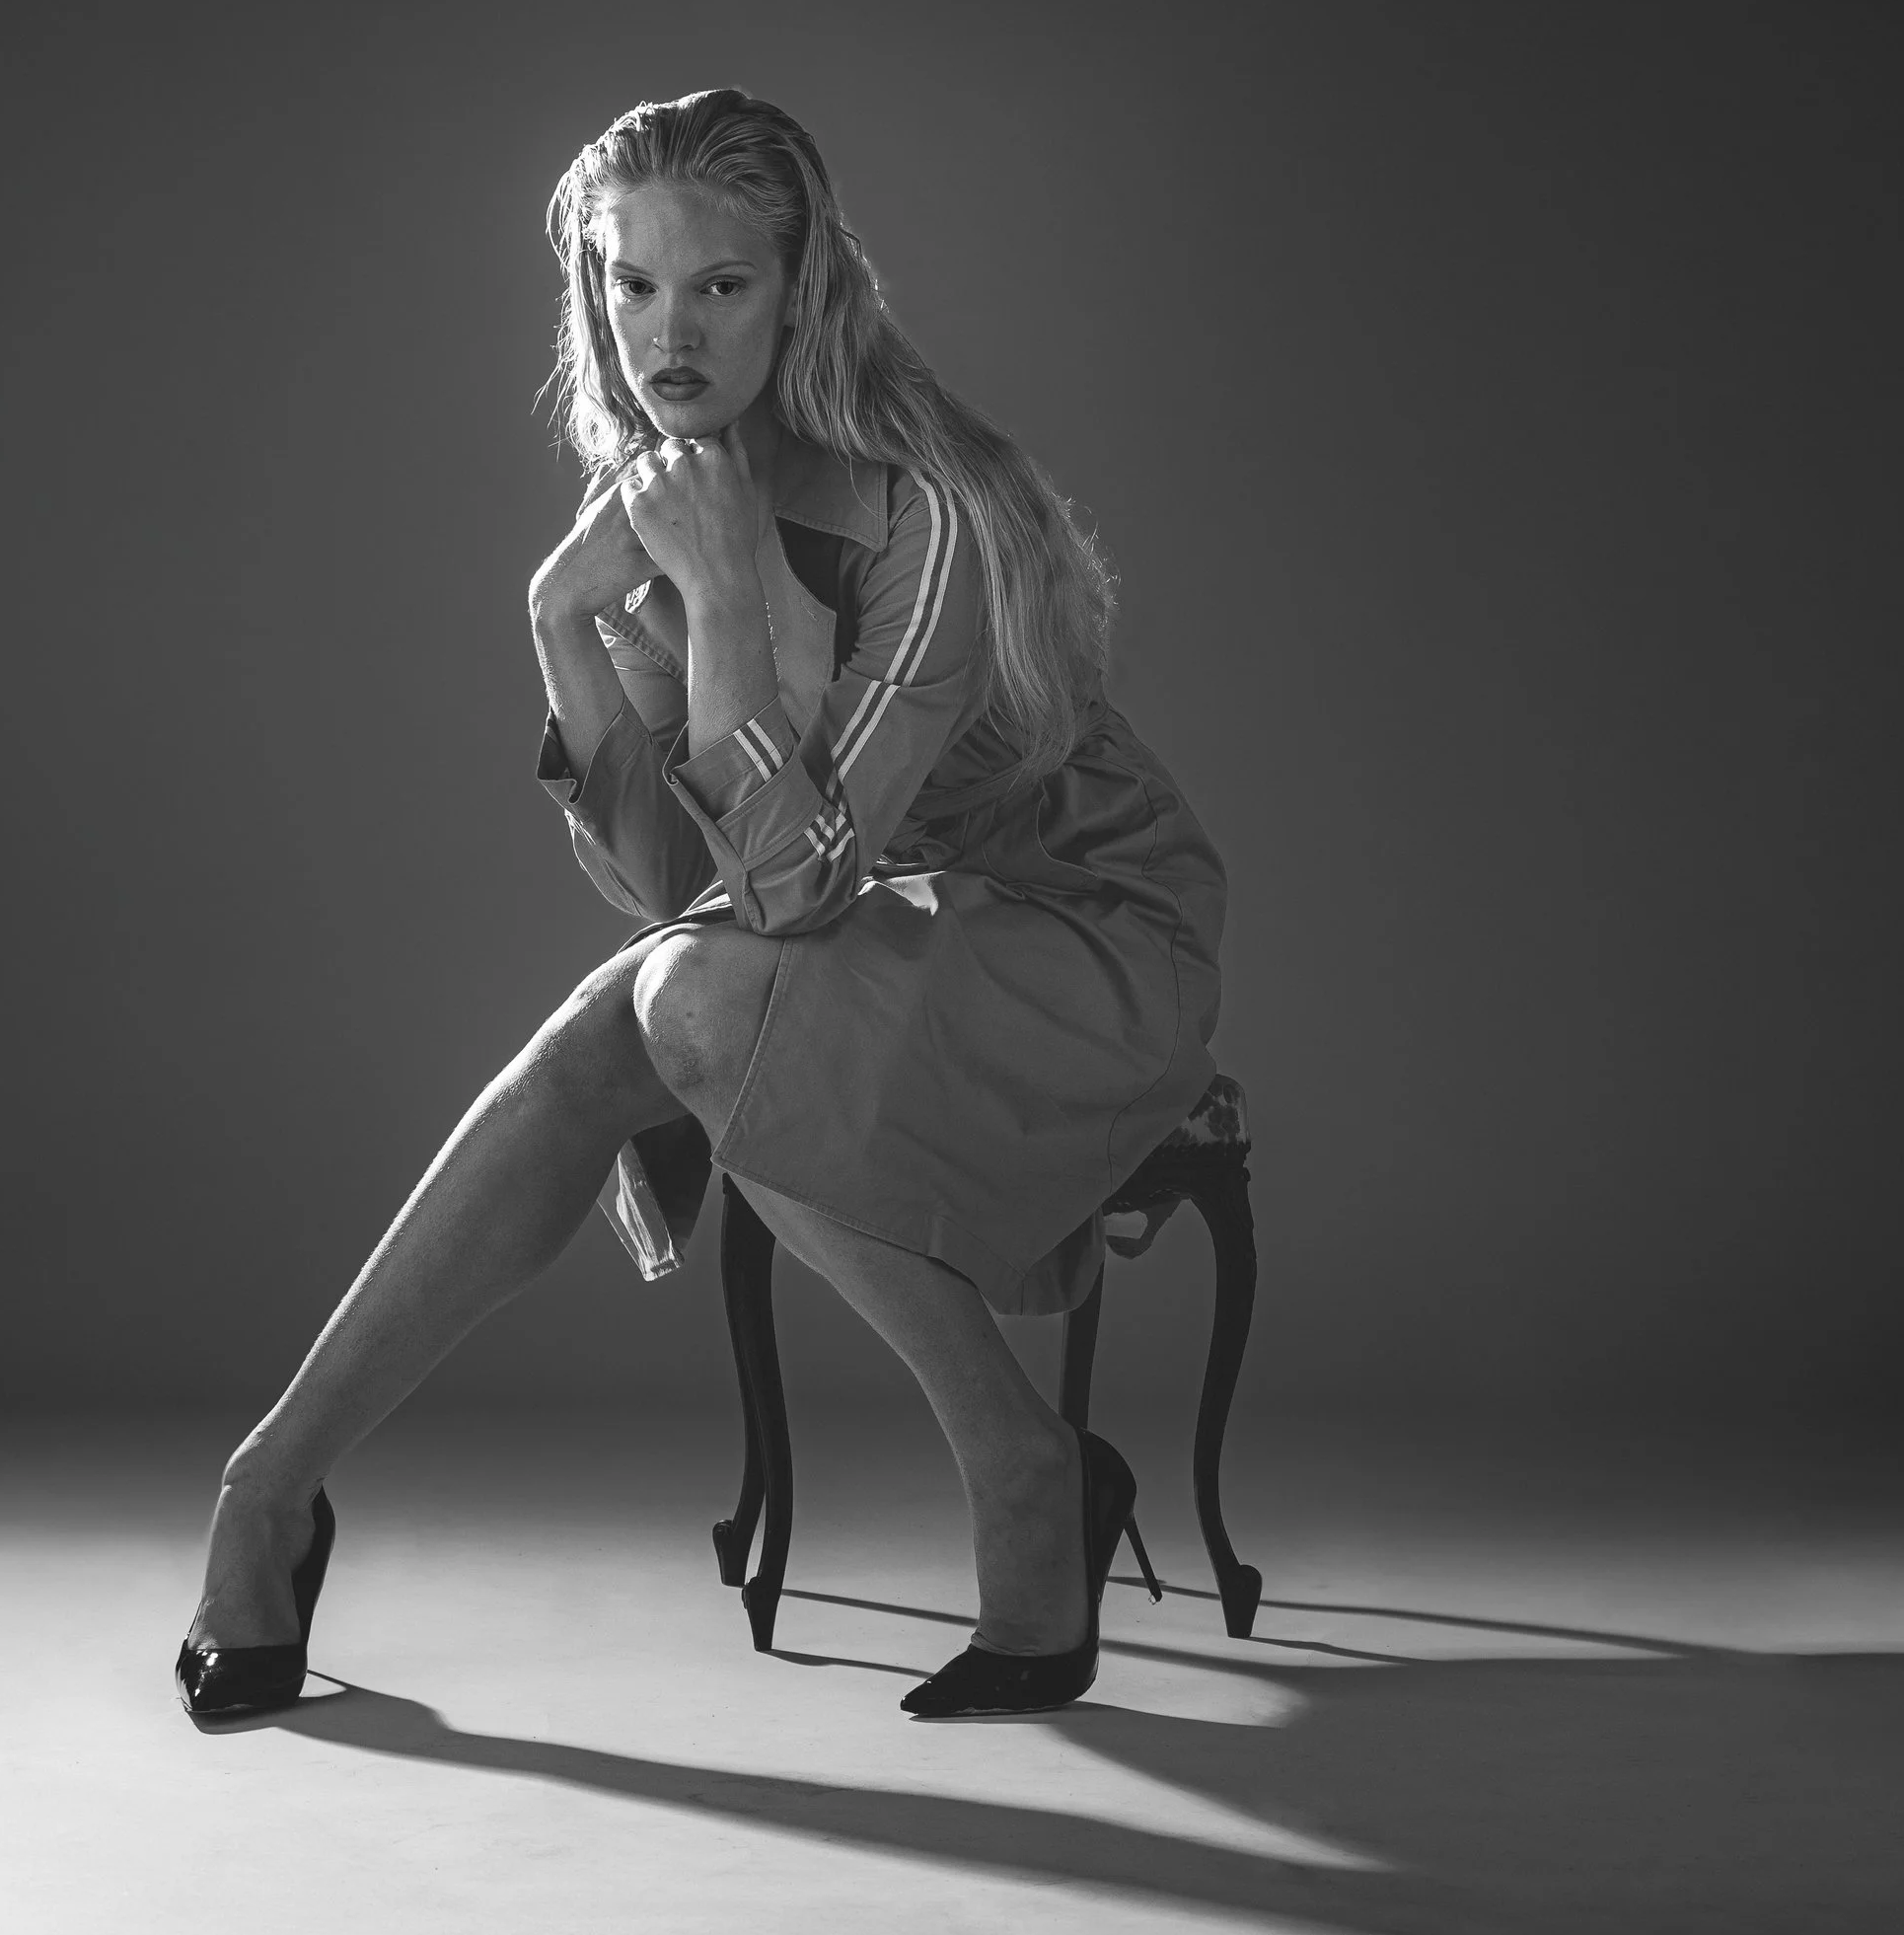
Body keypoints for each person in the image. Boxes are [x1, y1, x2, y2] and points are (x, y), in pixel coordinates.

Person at [177, 89, 1226, 1727]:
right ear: (593, 292)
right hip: (893, 930)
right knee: (651, 1007)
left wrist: (729, 592)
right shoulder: (667, 494)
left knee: (689, 1003)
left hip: (1085, 939)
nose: (669, 332)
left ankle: (1027, 1468)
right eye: (634, 283)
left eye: (721, 284)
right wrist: (560, 622)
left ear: (803, 292)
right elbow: (682, 891)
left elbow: (790, 896)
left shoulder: (924, 513)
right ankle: (269, 1485)